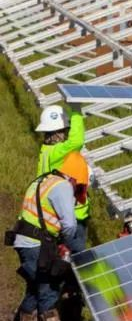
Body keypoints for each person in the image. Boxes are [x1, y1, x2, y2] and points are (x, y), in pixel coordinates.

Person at [12, 152, 88, 321]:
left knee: (34, 287)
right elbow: (69, 224)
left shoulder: (44, 180)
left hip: (25, 241)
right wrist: (68, 243)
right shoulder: (63, 187)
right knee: (50, 289)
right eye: (79, 186)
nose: (77, 191)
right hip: (37, 244)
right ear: (74, 178)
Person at [34, 106, 89, 248]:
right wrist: (76, 111)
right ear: (59, 133)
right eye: (66, 130)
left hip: (53, 214)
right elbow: (76, 141)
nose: (68, 133)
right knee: (76, 256)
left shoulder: (45, 150)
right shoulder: (57, 152)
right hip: (71, 216)